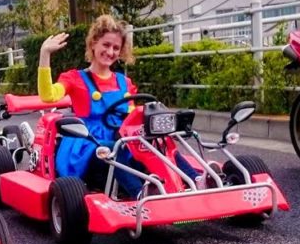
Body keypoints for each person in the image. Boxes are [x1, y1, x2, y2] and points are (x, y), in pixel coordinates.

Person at [37, 15, 199, 198]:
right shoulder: (75, 78)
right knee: (118, 148)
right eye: (106, 45)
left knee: (161, 142)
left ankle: (197, 181)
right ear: (93, 44)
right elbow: (48, 95)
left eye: (116, 48)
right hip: (88, 141)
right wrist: (45, 54)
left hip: (122, 134)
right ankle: (140, 194)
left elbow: (131, 116)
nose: (110, 52)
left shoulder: (124, 82)